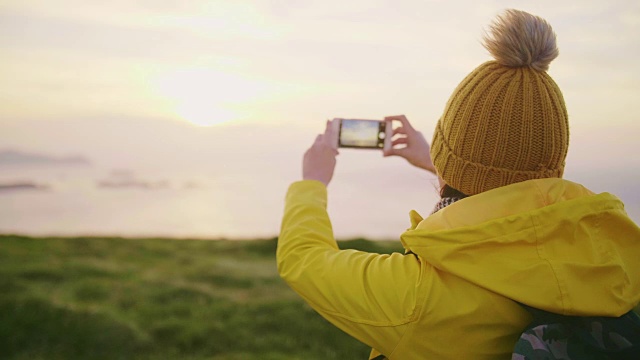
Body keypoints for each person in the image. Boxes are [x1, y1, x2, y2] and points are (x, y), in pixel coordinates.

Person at [277, 9, 640, 360]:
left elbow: (302, 259)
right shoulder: (616, 258)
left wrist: (313, 182)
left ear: (444, 152)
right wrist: (437, 163)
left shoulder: (416, 297)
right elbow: (507, 204)